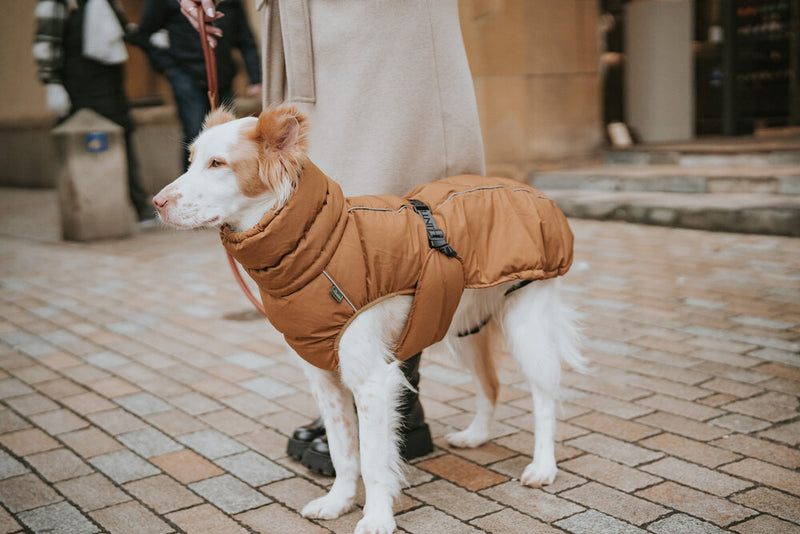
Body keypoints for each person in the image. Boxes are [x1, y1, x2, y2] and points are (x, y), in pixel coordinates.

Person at [182, 0, 485, 476]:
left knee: (384, 183)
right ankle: (356, 402)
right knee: (327, 191)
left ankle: (400, 406)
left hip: (377, 21)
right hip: (303, 23)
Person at [34, 0, 153, 221]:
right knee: (88, 147)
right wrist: (52, 83)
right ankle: (90, 211)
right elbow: (46, 45)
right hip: (77, 86)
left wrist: (150, 35)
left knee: (124, 140)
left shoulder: (108, 2)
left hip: (110, 85)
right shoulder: (55, 4)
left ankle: (140, 206)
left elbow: (124, 30)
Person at [131, 0, 261, 170]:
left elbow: (245, 37)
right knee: (195, 134)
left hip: (222, 76)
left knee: (225, 136)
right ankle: (191, 188)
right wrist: (168, 67)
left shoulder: (231, 2)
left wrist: (256, 77)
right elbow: (143, 35)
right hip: (185, 76)